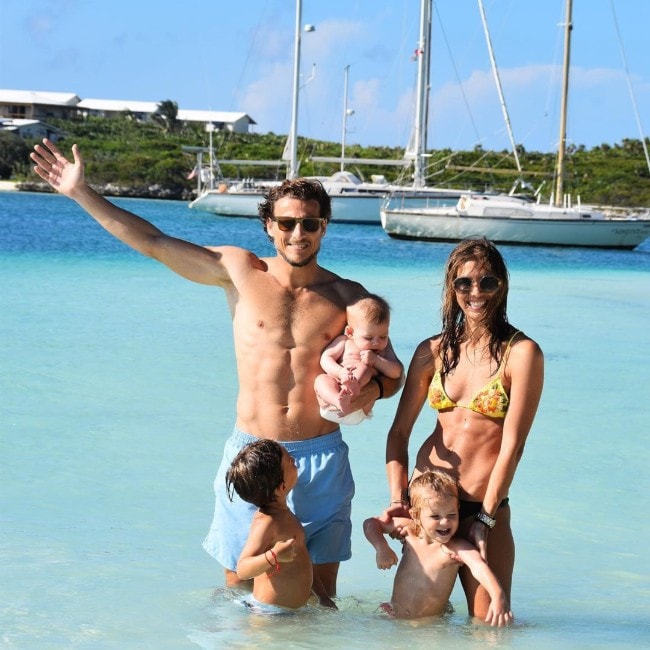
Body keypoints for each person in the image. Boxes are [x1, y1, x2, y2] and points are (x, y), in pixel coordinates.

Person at [30, 138, 403, 606]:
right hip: (252, 454)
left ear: (324, 227)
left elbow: (391, 372)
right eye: (287, 223)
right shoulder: (239, 271)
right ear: (269, 225)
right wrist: (82, 193)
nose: (298, 233)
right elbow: (155, 243)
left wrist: (368, 393)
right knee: (238, 591)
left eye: (310, 223)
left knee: (320, 596)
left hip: (320, 455)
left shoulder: (349, 296)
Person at [385, 238, 543, 620]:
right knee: (414, 623)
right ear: (451, 288)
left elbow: (512, 448)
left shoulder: (521, 354)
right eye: (464, 283)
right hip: (428, 509)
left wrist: (486, 519)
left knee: (489, 628)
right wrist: (398, 500)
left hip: (481, 508)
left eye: (487, 282)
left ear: (501, 285)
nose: (476, 293)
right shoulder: (433, 350)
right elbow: (399, 434)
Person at [363, 469, 513, 624]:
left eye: (452, 515)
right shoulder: (410, 531)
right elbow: (371, 523)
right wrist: (381, 548)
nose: (445, 522)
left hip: (428, 625)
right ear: (415, 515)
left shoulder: (453, 547)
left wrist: (497, 596)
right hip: (393, 614)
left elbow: (479, 566)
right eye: (435, 516)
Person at [226, 439, 314, 612]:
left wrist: (320, 595)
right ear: (282, 488)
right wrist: (273, 556)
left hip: (288, 612)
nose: (294, 460)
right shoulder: (267, 523)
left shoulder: (284, 514)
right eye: (291, 462)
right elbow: (243, 569)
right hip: (268, 613)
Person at [314, 294, 403, 425]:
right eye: (368, 338)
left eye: (383, 336)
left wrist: (376, 361)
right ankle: (337, 399)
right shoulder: (344, 342)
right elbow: (326, 359)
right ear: (350, 333)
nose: (376, 342)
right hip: (332, 406)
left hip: (359, 405)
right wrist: (339, 372)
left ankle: (353, 387)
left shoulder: (383, 351)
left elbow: (397, 373)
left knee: (364, 368)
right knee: (321, 380)